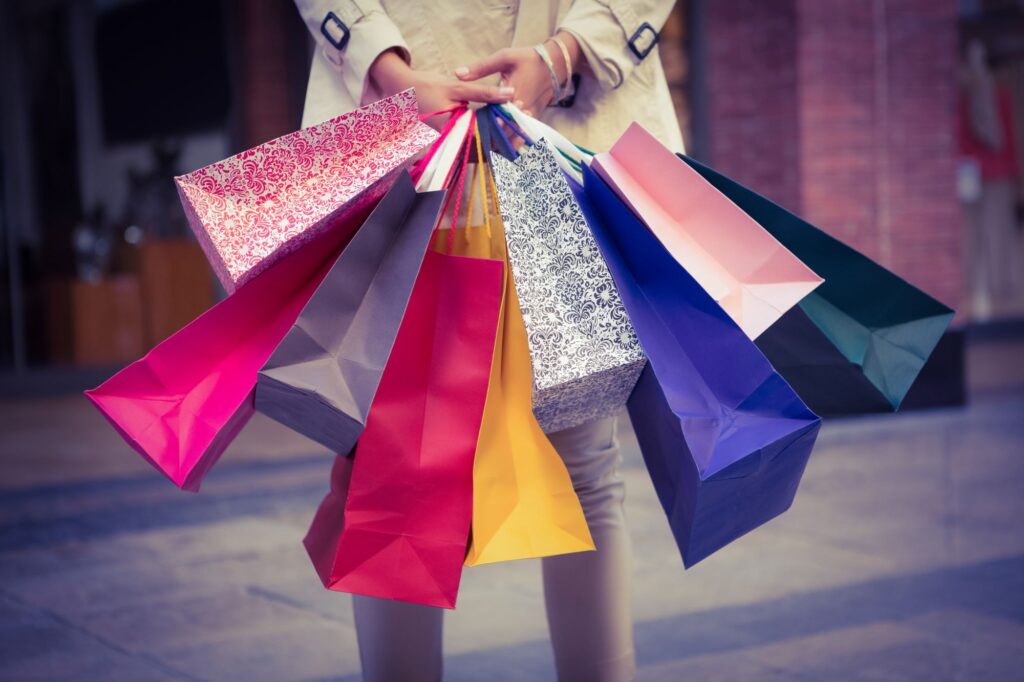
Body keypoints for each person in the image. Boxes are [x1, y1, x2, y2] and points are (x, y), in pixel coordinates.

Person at [293, 2, 682, 680]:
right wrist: (386, 67)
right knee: (397, 455)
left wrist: (564, 56)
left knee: (571, 453)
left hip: (554, 129)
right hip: (410, 132)